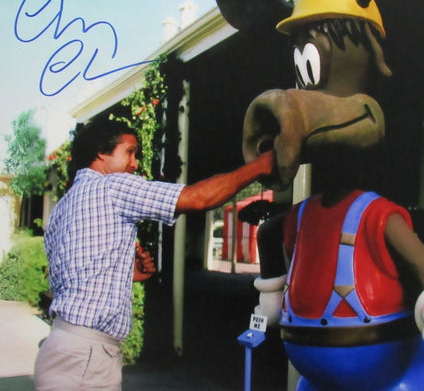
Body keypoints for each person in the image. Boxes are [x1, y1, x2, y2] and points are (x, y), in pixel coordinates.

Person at [34, 116, 275, 390]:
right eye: (129, 152)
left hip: (60, 345)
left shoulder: (62, 208)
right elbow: (199, 198)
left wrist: (123, 270)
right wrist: (259, 166)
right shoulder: (113, 187)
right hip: (88, 357)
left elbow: (71, 275)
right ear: (101, 153)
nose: (135, 164)